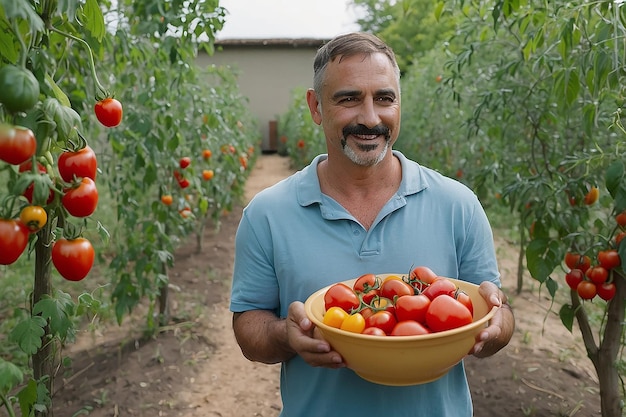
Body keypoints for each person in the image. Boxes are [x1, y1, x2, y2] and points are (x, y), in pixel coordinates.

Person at [229, 32, 515, 417]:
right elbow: (249, 328)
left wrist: (497, 327)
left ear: (399, 105)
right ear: (315, 108)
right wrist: (285, 335)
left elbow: (498, 312)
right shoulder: (267, 214)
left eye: (384, 98)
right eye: (348, 98)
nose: (370, 117)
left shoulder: (457, 204)